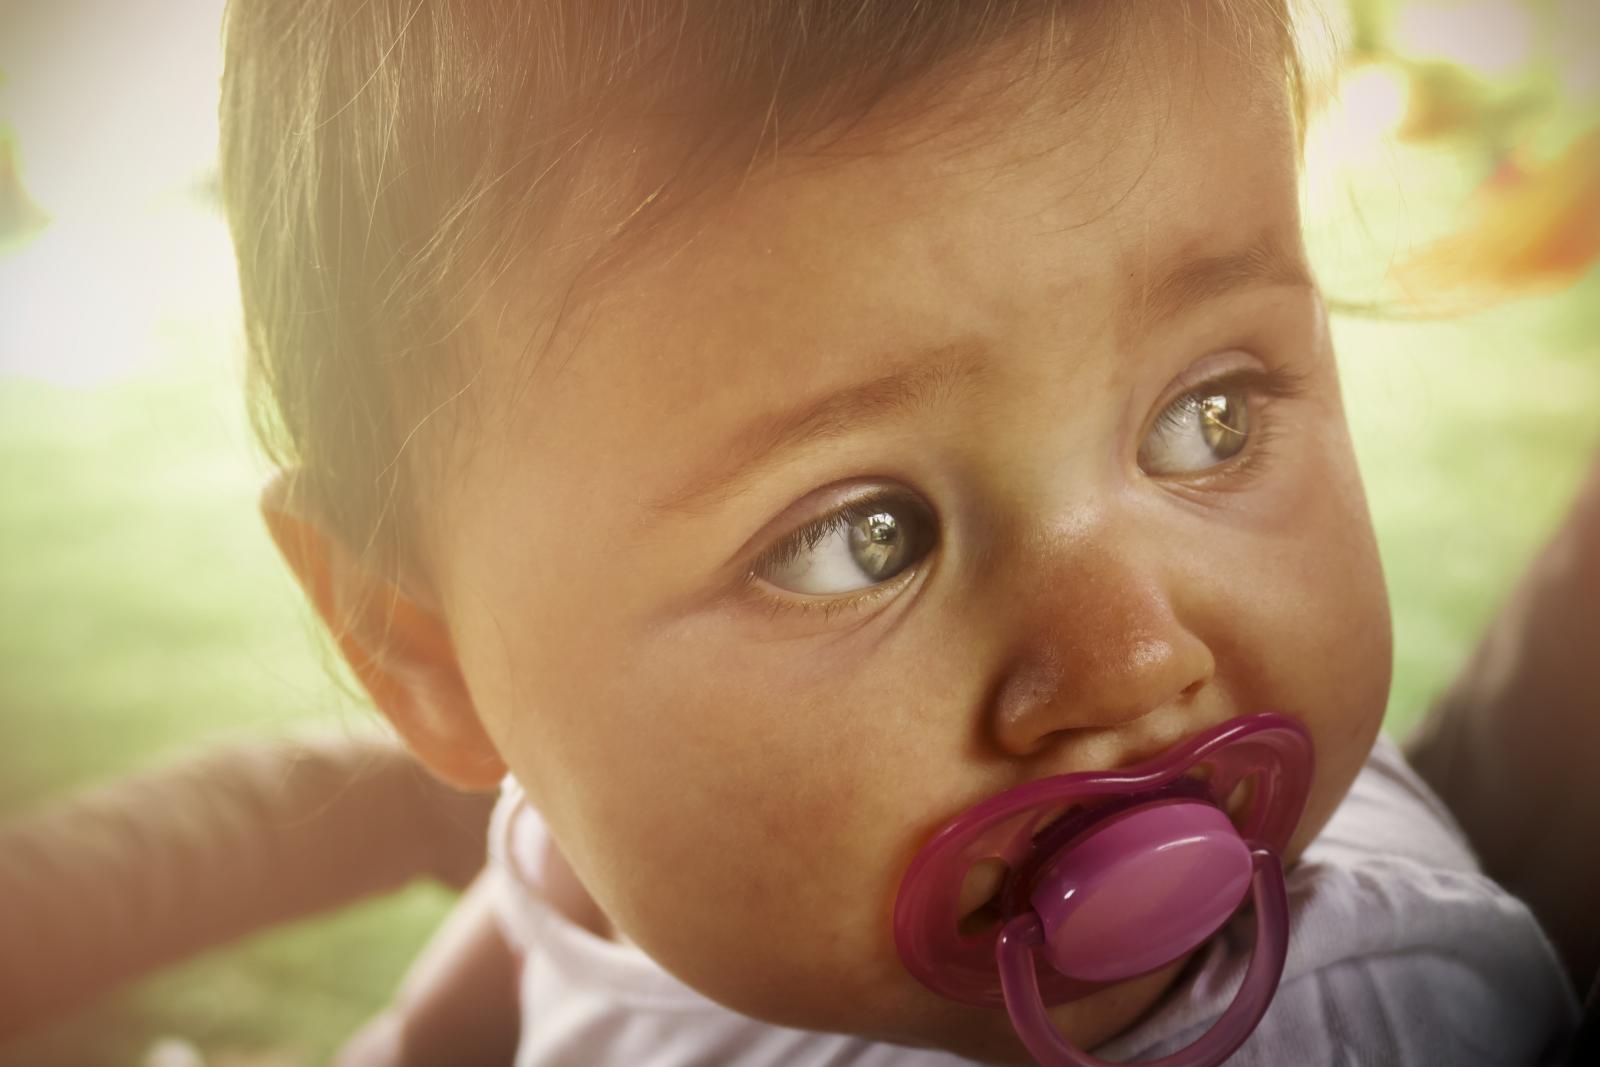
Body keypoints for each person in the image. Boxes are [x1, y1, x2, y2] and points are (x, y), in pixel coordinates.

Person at [222, 0, 1588, 1063]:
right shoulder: (602, 858)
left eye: (1206, 417)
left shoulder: (1357, 1024)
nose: (1130, 662)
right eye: (859, 537)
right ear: (433, 653)